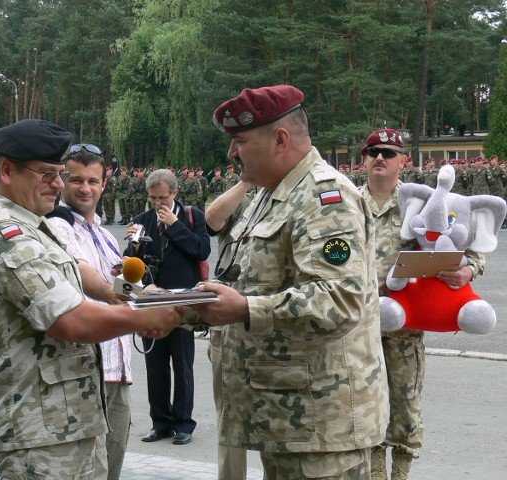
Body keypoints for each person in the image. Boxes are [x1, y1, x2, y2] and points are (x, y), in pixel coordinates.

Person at [0, 119, 182, 479]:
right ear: (6, 171)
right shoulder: (6, 234)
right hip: (38, 430)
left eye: (60, 173)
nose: (60, 184)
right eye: (48, 174)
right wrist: (140, 317)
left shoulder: (35, 224)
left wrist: (140, 295)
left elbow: (85, 274)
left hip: (68, 421)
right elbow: (69, 320)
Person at [190, 85, 388, 479]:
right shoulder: (269, 194)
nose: (232, 153)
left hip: (321, 428)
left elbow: (340, 300)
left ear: (280, 139)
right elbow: (246, 282)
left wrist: (244, 309)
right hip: (285, 419)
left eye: (240, 141)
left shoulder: (322, 196)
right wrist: (172, 306)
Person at [359, 128, 485, 480]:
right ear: (363, 159)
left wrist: (467, 271)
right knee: (362, 404)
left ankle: (400, 473)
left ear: (403, 160)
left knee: (405, 405)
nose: (379, 157)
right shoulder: (346, 204)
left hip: (405, 329)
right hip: (356, 325)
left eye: (388, 152)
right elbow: (330, 251)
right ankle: (373, 473)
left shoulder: (424, 203)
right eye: (373, 152)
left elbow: (470, 248)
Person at [47, 144, 133, 480]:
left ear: (104, 182)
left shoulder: (105, 235)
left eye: (93, 181)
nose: (85, 188)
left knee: (113, 464)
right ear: (62, 180)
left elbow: (125, 288)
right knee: (88, 470)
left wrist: (156, 294)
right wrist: (121, 297)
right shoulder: (57, 225)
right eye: (76, 179)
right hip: (86, 371)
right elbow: (80, 272)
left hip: (119, 367)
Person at [124, 168, 211, 446]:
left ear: (174, 193)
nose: (158, 203)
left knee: (182, 364)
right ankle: (160, 422)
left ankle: (183, 423)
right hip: (151, 300)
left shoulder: (192, 216)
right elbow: (130, 264)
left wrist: (175, 226)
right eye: (153, 198)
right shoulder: (142, 219)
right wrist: (132, 244)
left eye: (162, 197)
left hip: (183, 301)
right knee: (155, 364)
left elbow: (201, 249)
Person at [204, 179, 255, 480]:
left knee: (279, 418)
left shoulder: (296, 198)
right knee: (230, 419)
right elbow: (213, 218)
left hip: (273, 326)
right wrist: (247, 182)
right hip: (229, 326)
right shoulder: (242, 200)